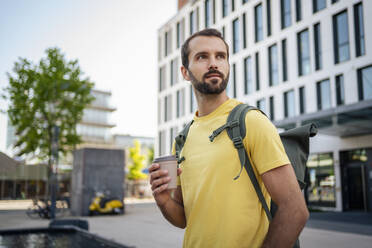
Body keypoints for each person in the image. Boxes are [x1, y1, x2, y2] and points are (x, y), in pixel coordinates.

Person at [149, 28, 309, 248]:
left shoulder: (251, 121)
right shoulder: (182, 140)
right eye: (202, 56)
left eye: (220, 56)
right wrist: (164, 201)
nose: (213, 63)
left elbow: (295, 209)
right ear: (185, 72)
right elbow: (183, 218)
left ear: (227, 66)